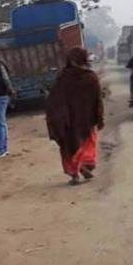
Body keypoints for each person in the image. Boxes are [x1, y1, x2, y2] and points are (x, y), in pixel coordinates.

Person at [45, 47, 105, 185]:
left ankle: (75, 174)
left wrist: (55, 119)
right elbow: (98, 100)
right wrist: (99, 117)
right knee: (85, 143)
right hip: (85, 120)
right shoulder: (91, 77)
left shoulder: (63, 77)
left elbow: (53, 99)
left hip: (67, 121)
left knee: (69, 146)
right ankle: (83, 166)